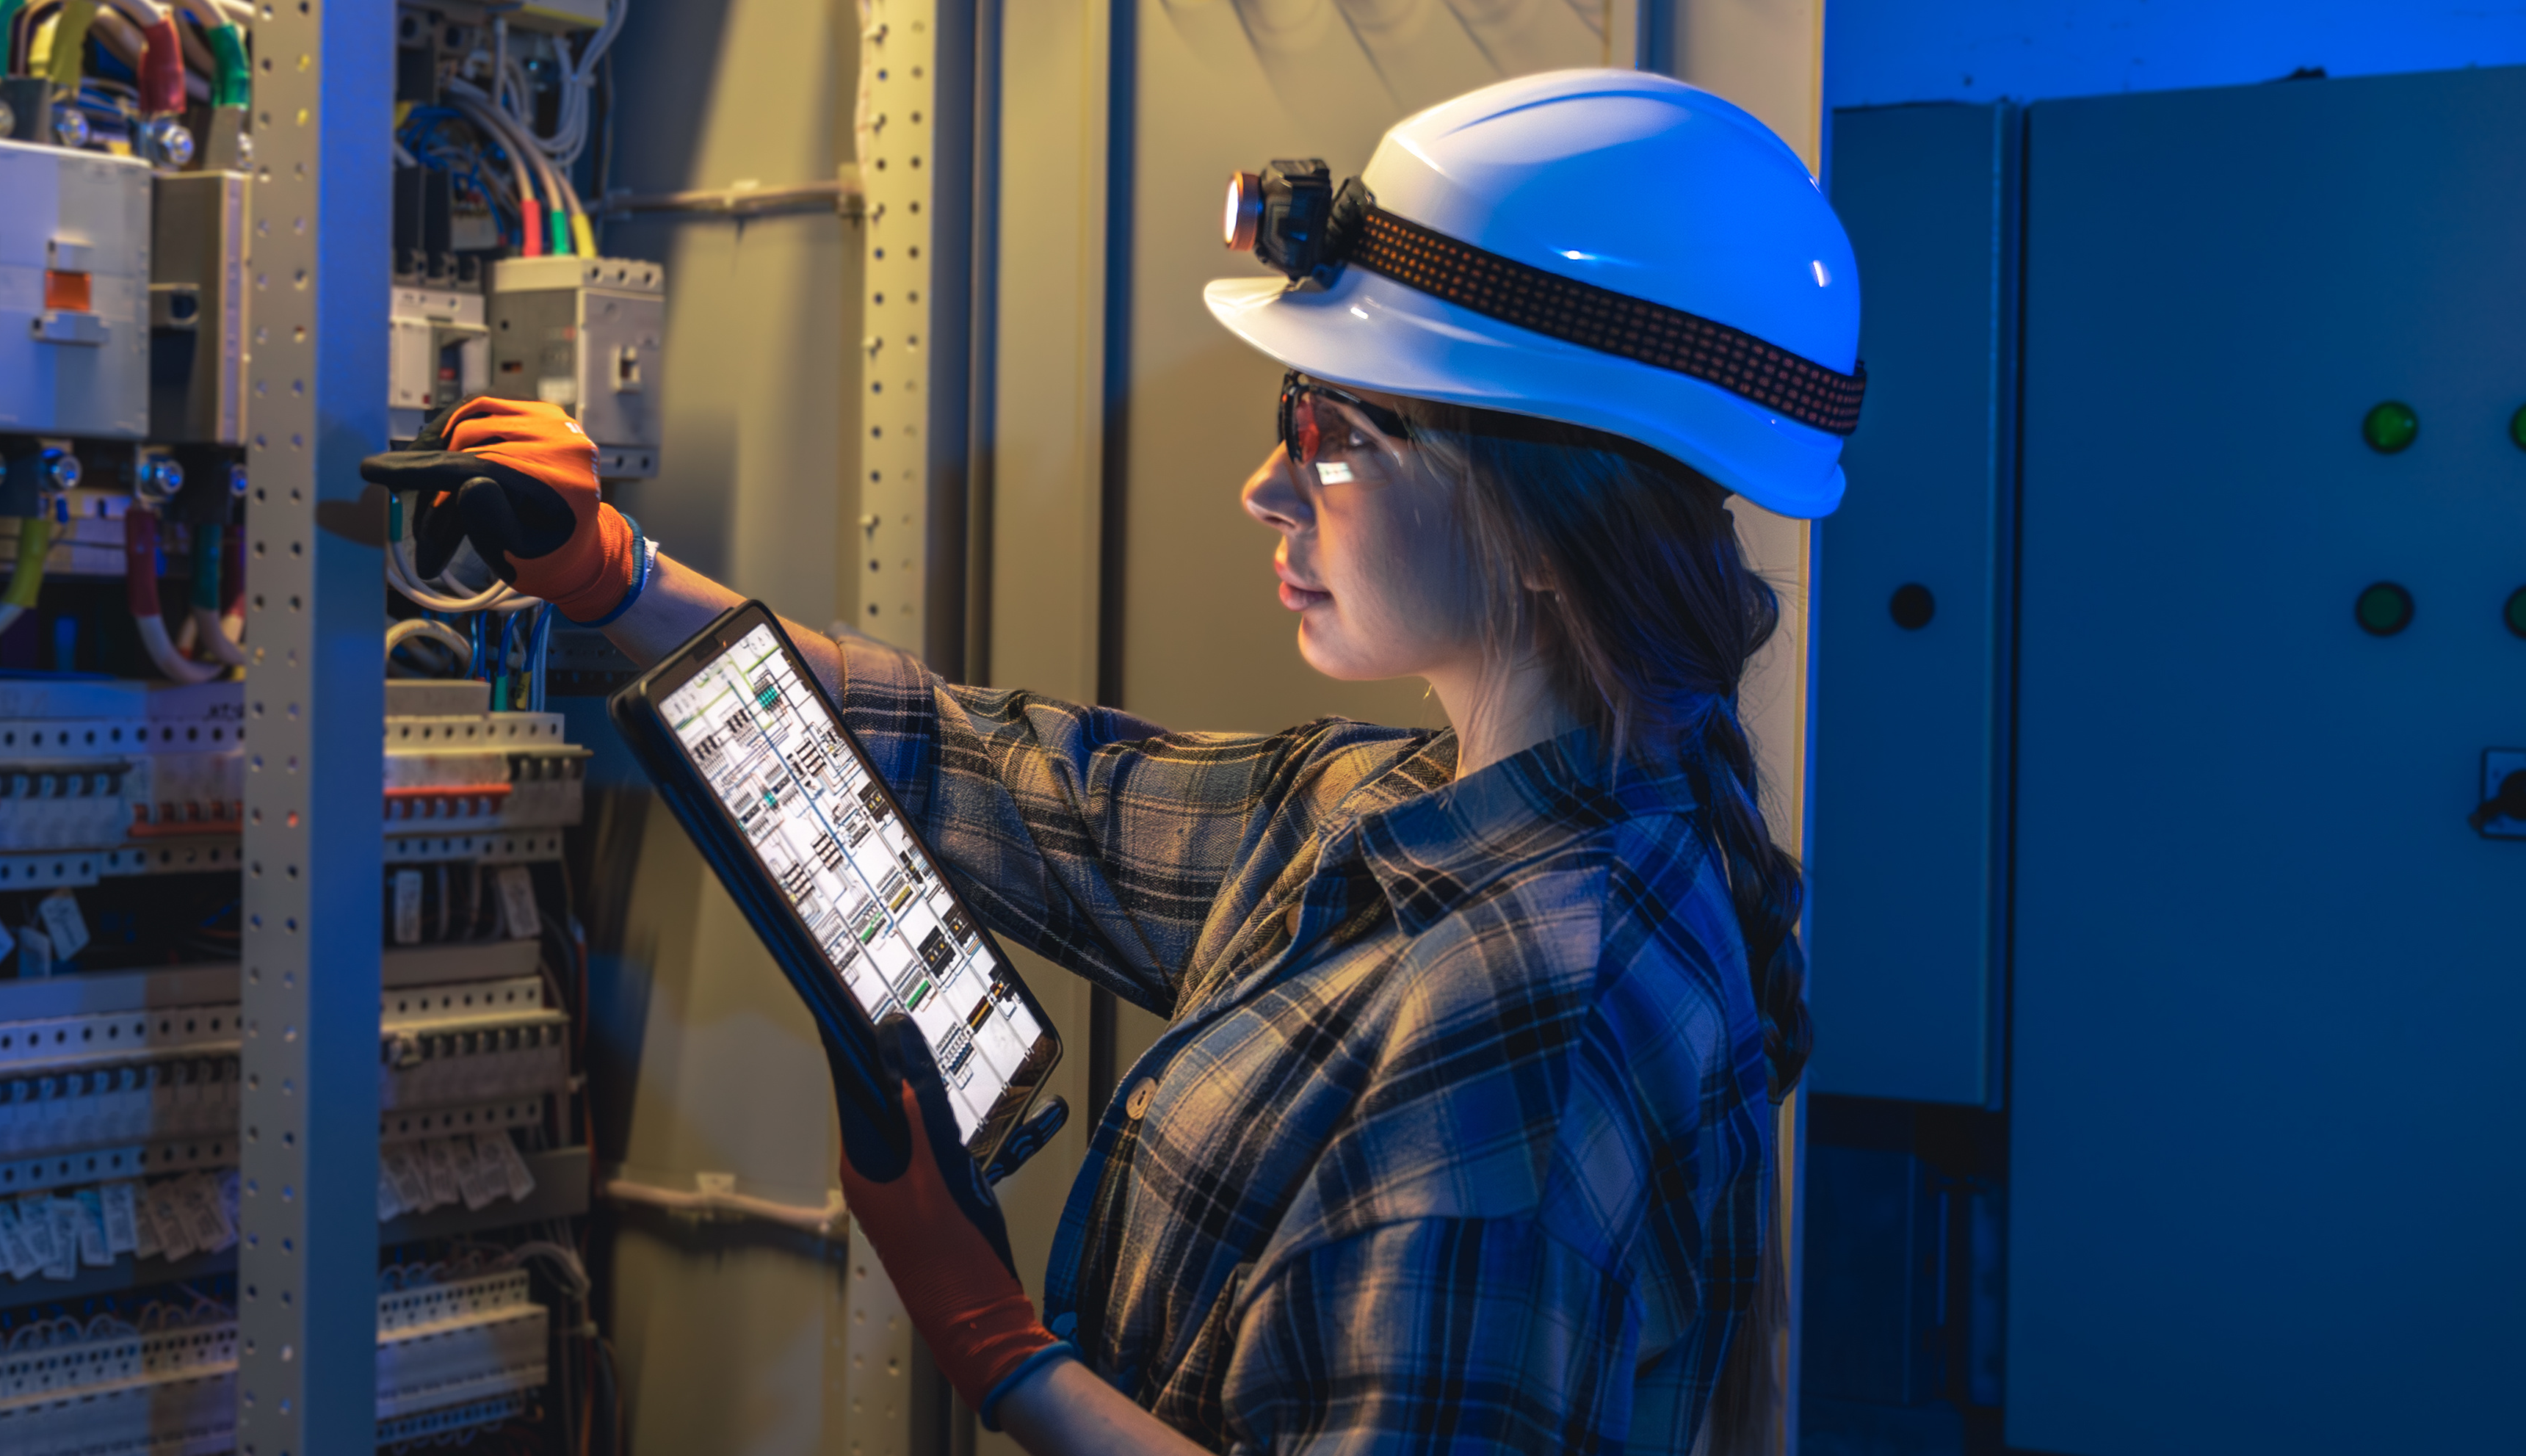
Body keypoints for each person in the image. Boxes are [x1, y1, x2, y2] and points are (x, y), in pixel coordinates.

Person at [365, 68, 1859, 1455]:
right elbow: (1013, 780)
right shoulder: (1407, 809)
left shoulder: (1535, 1025)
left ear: (1551, 529)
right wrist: (614, 574)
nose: (1267, 485)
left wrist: (1007, 1357)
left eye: (1337, 434)